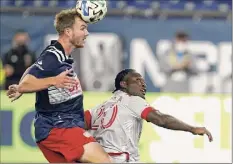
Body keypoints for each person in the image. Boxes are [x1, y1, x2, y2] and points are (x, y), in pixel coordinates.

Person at [6, 9, 112, 163]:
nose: (87, 33)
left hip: (58, 127)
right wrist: (48, 82)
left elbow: (32, 68)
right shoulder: (53, 56)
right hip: (58, 127)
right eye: (82, 28)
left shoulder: (59, 55)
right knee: (104, 160)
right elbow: (29, 81)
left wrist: (20, 85)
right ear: (68, 32)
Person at [84, 69, 213, 163]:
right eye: (137, 80)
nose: (143, 84)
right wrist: (192, 129)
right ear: (124, 84)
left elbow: (77, 124)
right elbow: (161, 119)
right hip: (121, 159)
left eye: (143, 81)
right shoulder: (133, 100)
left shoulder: (100, 107)